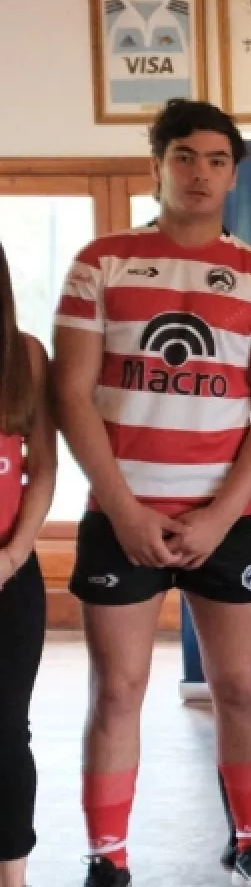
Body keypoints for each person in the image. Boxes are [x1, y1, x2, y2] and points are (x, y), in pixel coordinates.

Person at [51, 98, 251, 887]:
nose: (200, 173)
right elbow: (70, 394)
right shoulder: (101, 262)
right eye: (185, 157)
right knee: (117, 691)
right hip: (120, 516)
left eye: (217, 161)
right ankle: (108, 860)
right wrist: (124, 508)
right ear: (157, 165)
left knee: (239, 687)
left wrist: (221, 515)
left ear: (234, 175)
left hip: (226, 520)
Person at [0, 241, 56, 887]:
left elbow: (43, 468)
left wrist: (13, 554)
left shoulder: (27, 356)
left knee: (7, 732)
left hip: (10, 577)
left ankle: (12, 874)